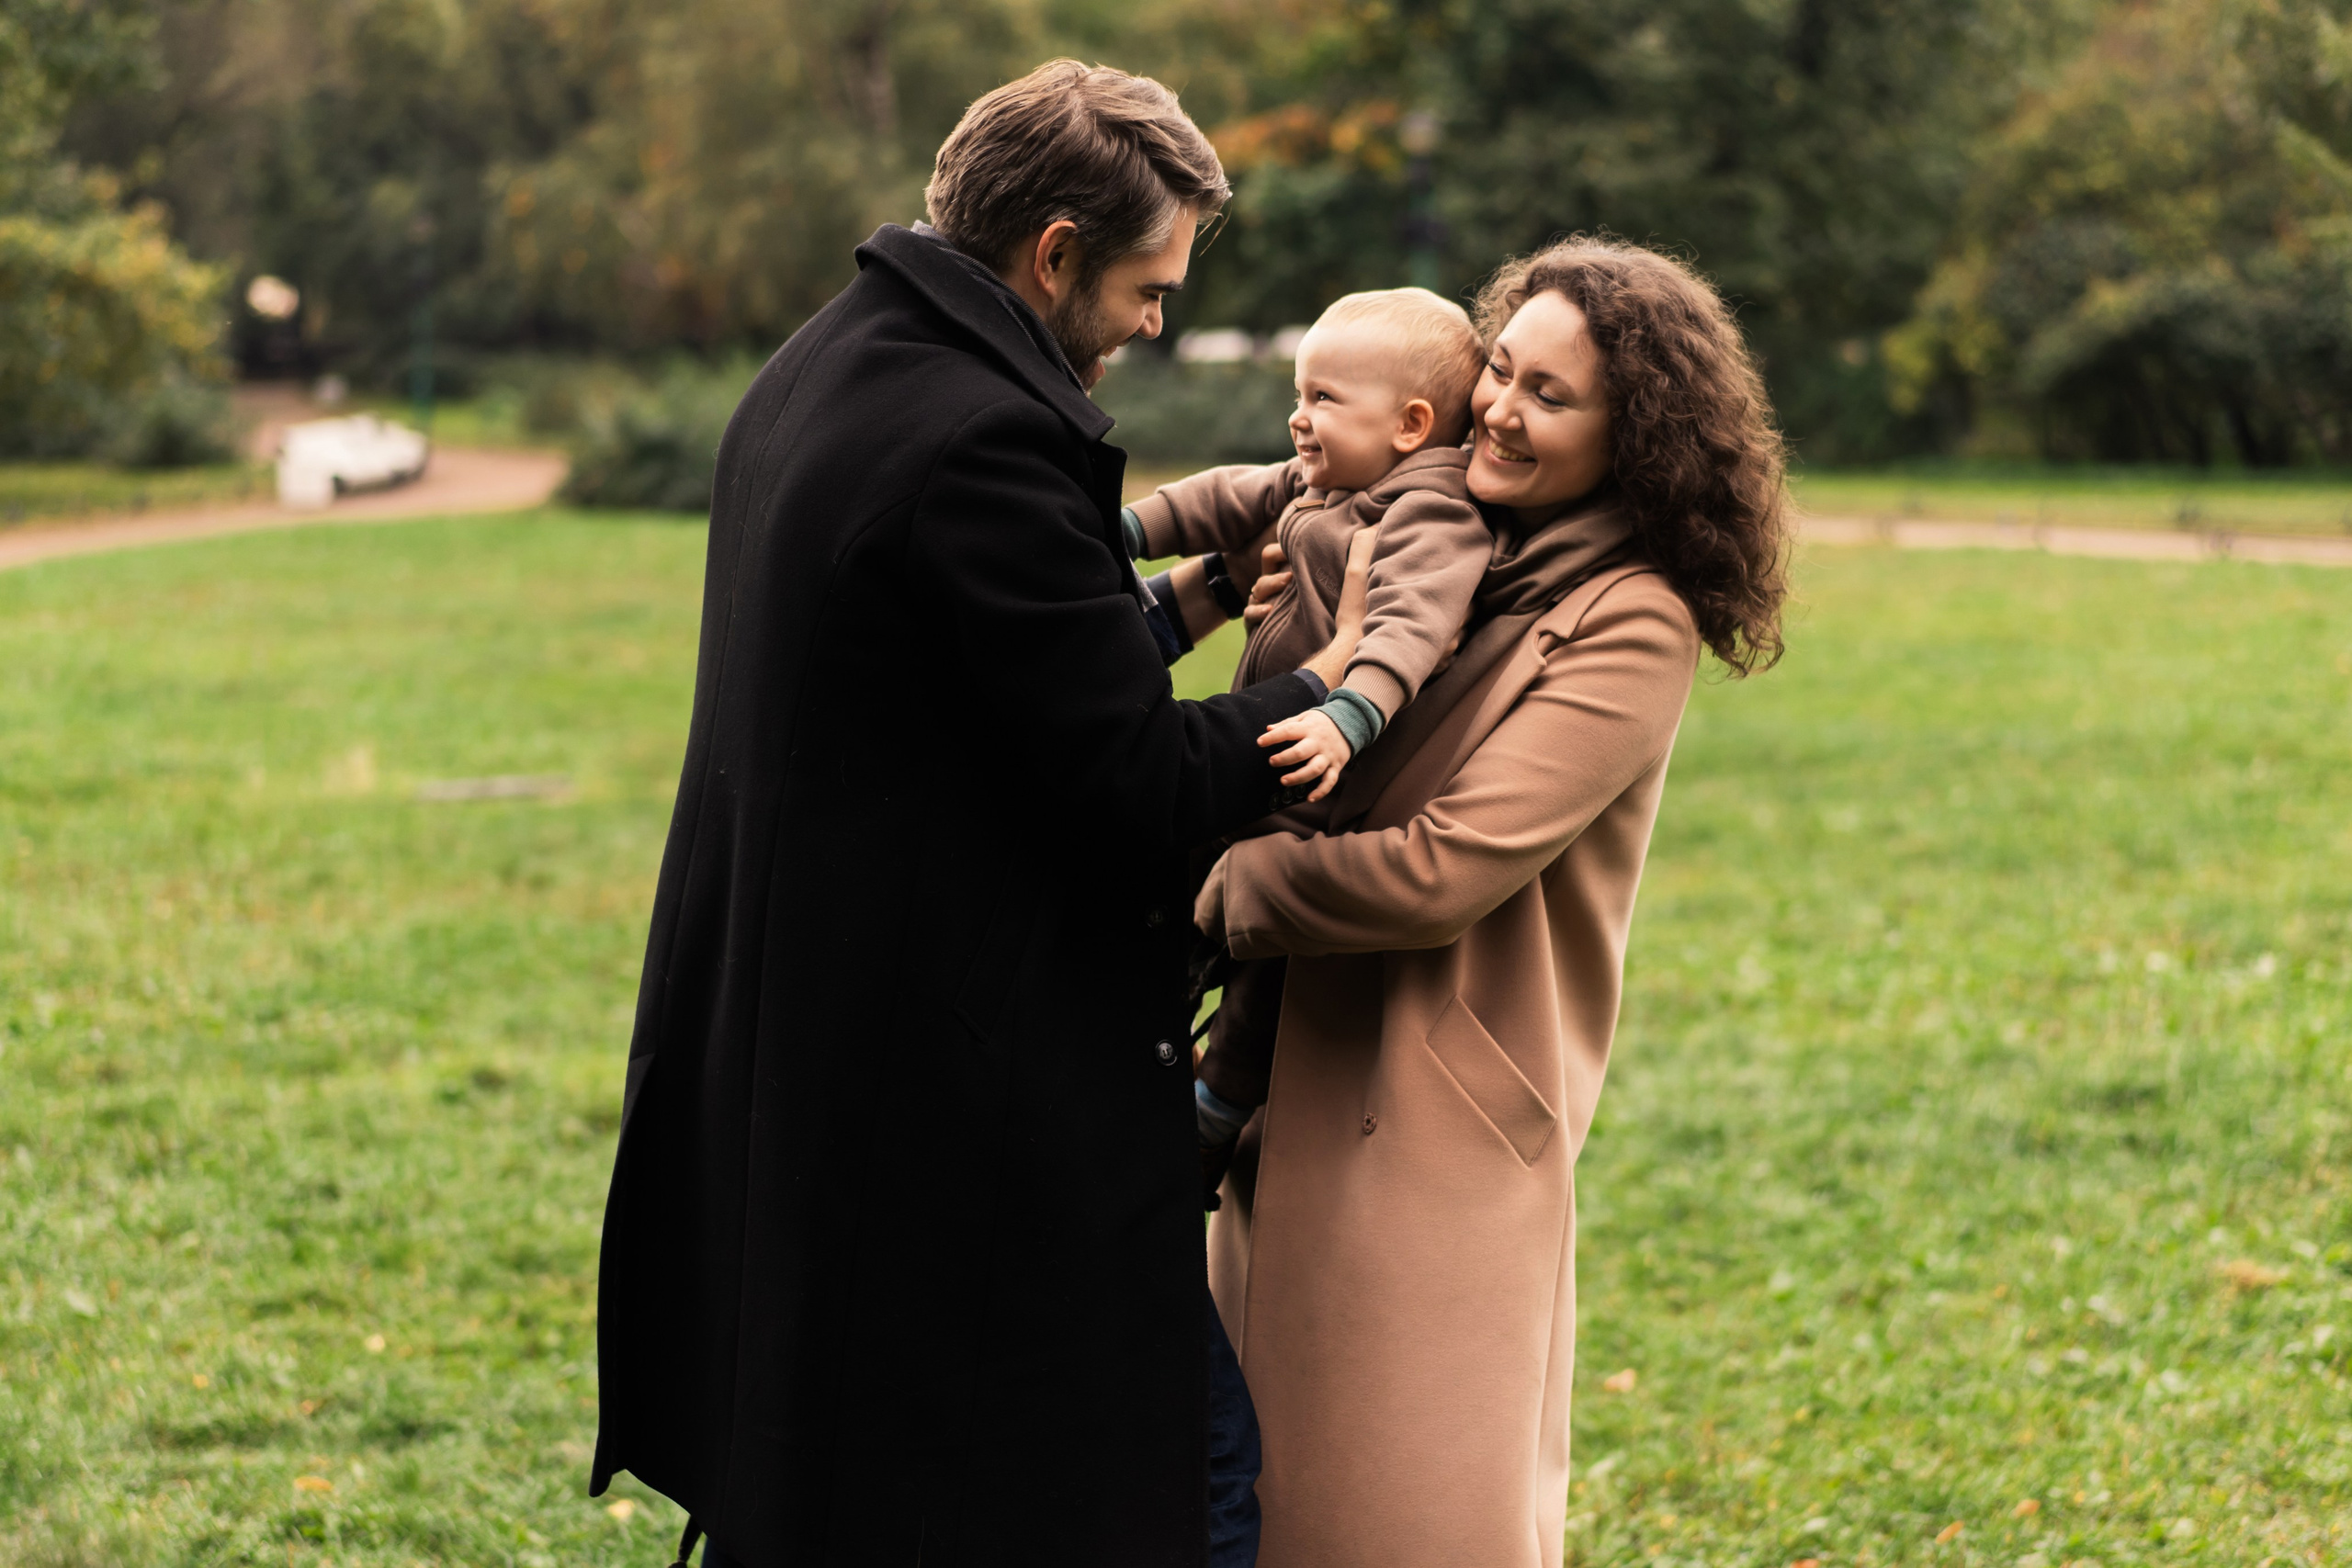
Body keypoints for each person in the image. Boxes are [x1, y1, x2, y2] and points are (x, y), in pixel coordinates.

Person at [591, 60, 1365, 1568]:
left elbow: (992, 687)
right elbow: (1133, 784)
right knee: (1142, 1483)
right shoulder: (988, 437)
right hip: (951, 1087)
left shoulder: (831, 366)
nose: (1156, 324)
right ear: (1055, 254)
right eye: (1147, 287)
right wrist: (1328, 690)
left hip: (820, 1043)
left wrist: (1206, 588)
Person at [1193, 236, 1792, 1568]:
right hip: (1289, 1074)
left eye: (1552, 395)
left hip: (1436, 1114)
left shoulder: (1631, 617)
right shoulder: (1433, 543)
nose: (1503, 411)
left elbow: (1447, 865)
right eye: (1500, 373)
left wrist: (1223, 887)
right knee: (1258, 1509)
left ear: (1636, 433)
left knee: (1401, 1515)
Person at [1118, 288, 1492, 1196]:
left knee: (1259, 990)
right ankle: (1128, 1037)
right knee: (1164, 895)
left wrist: (1344, 716)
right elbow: (1217, 499)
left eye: (1324, 398)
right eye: (1300, 391)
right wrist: (1108, 532)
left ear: (1408, 424)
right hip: (1262, 765)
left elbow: (1408, 633)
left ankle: (1206, 1125)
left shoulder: (1430, 518)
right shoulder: (1320, 485)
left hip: (1319, 788)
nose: (1298, 415)